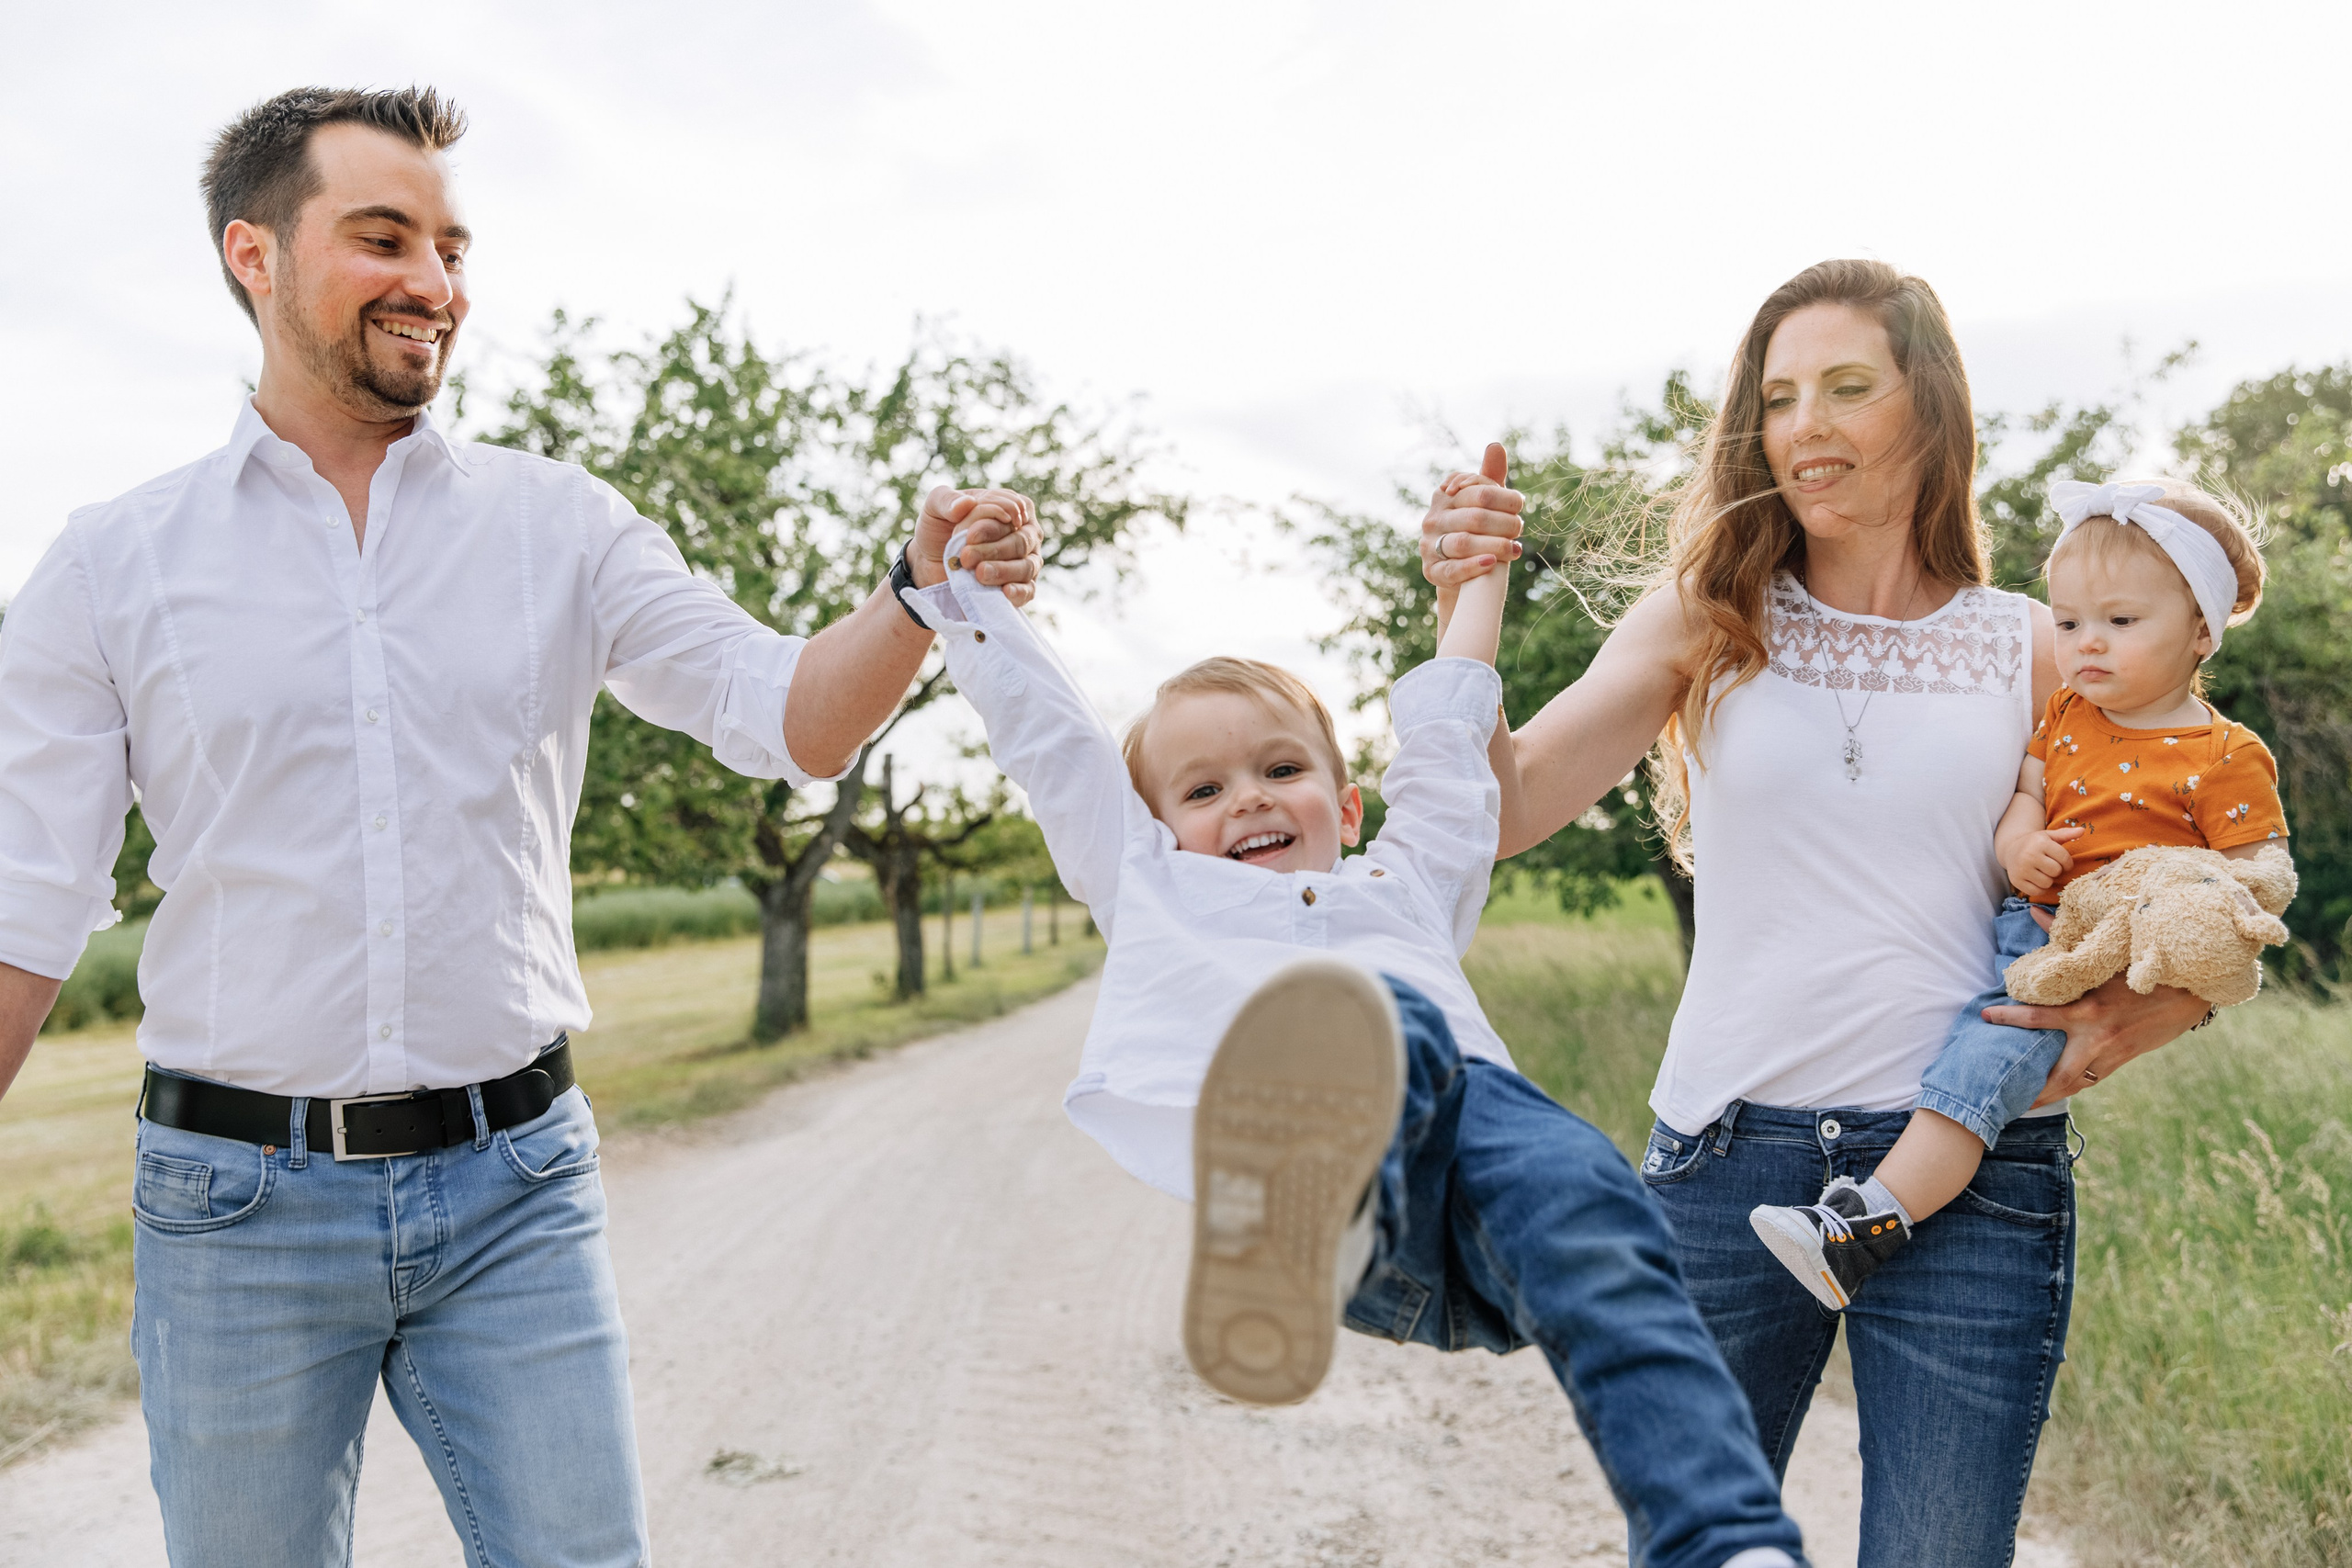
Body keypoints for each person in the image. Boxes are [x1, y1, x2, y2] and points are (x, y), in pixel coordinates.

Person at [0, 86, 1037, 1567]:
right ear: (254, 255)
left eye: (451, 245)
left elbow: (788, 714)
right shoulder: (110, 566)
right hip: (237, 1210)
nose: (435, 282)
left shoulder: (561, 524)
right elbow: (26, 906)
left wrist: (919, 591)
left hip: (515, 1189)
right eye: (382, 237)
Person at [1419, 260, 2214, 1567]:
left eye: (1850, 387)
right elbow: (1497, 814)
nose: (1807, 424)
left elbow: (2179, 859)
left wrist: (2150, 1011)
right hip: (1724, 1162)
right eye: (1780, 396)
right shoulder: (1706, 616)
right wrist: (1472, 603)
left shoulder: (2030, 645)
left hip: (1971, 1171)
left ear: (1931, 413)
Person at [896, 449, 1809, 1568]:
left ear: (1346, 801)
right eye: (1201, 790)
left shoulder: (1407, 880)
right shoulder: (1148, 885)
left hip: (1479, 1239)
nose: (1248, 800)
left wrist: (1476, 578)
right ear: (1148, 827)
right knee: (1379, 1017)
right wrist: (968, 598)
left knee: (1600, 1200)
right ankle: (1289, 1234)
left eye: (1279, 768)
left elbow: (1447, 740)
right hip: (1344, 1218)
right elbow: (1051, 742)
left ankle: (1724, 1543)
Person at [1748, 478, 2290, 1307]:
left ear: (2201, 631)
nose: (2086, 643)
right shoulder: (2068, 711)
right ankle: (1867, 1216)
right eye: (2069, 622)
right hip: (2028, 926)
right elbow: (2028, 796)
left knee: (1980, 1068)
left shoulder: (2224, 753)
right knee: (1986, 1061)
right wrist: (2022, 845)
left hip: (2101, 952)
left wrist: (2184, 922)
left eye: (2120, 621)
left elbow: (2260, 877)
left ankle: (1865, 1225)